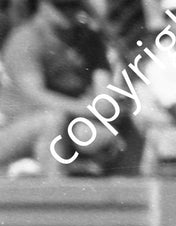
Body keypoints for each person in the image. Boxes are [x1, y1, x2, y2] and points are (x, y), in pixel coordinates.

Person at [0, 0, 123, 175]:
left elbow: (105, 95)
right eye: (61, 5)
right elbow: (35, 96)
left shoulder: (89, 39)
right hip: (12, 129)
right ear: (42, 5)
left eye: (73, 5)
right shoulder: (26, 38)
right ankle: (55, 195)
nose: (68, 11)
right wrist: (90, 109)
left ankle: (132, 195)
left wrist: (103, 107)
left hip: (69, 121)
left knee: (102, 134)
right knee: (51, 120)